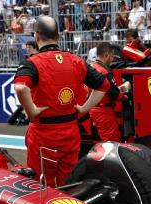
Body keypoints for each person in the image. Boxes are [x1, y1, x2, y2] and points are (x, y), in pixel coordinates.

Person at [14, 17, 111, 187]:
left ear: (36, 36)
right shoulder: (77, 60)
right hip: (70, 132)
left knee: (42, 187)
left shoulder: (32, 63)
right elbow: (104, 85)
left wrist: (32, 111)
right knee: (70, 184)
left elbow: (20, 88)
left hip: (43, 133)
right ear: (58, 36)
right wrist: (84, 109)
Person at [89, 42, 128, 143]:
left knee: (104, 140)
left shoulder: (91, 68)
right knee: (112, 142)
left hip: (94, 109)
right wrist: (127, 98)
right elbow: (115, 95)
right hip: (104, 111)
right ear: (106, 55)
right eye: (111, 56)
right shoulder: (105, 71)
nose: (112, 60)